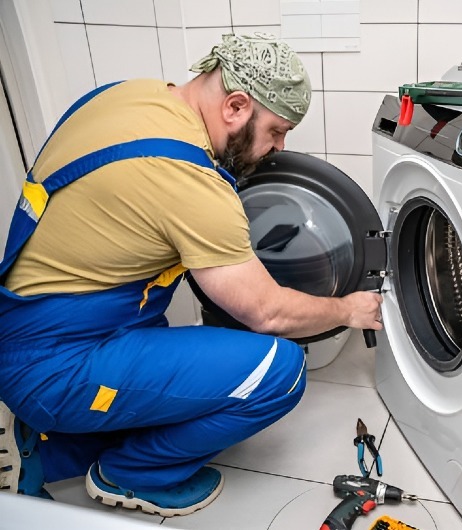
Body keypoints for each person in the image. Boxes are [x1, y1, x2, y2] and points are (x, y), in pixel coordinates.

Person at [0, 33, 382, 516]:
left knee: (176, 369)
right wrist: (347, 309)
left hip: (27, 327)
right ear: (237, 106)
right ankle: (132, 475)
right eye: (277, 131)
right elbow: (266, 312)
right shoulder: (189, 178)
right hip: (58, 364)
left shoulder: (129, 96)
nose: (278, 148)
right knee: (279, 372)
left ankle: (50, 447)